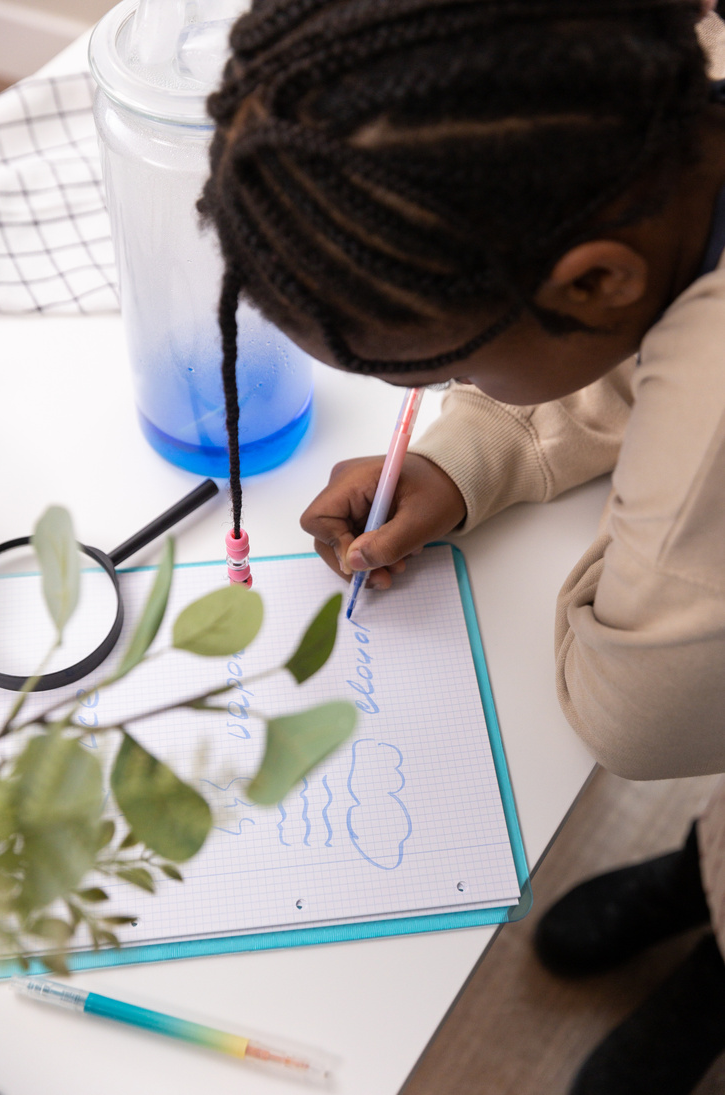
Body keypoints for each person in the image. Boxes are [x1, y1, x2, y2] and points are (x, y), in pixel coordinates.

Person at [198, 1, 725, 1090]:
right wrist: (477, 448)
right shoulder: (667, 95)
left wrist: (657, 494)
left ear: (589, 282)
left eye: (456, 370)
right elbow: (661, 319)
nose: (450, 392)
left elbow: (641, 710)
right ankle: (704, 883)